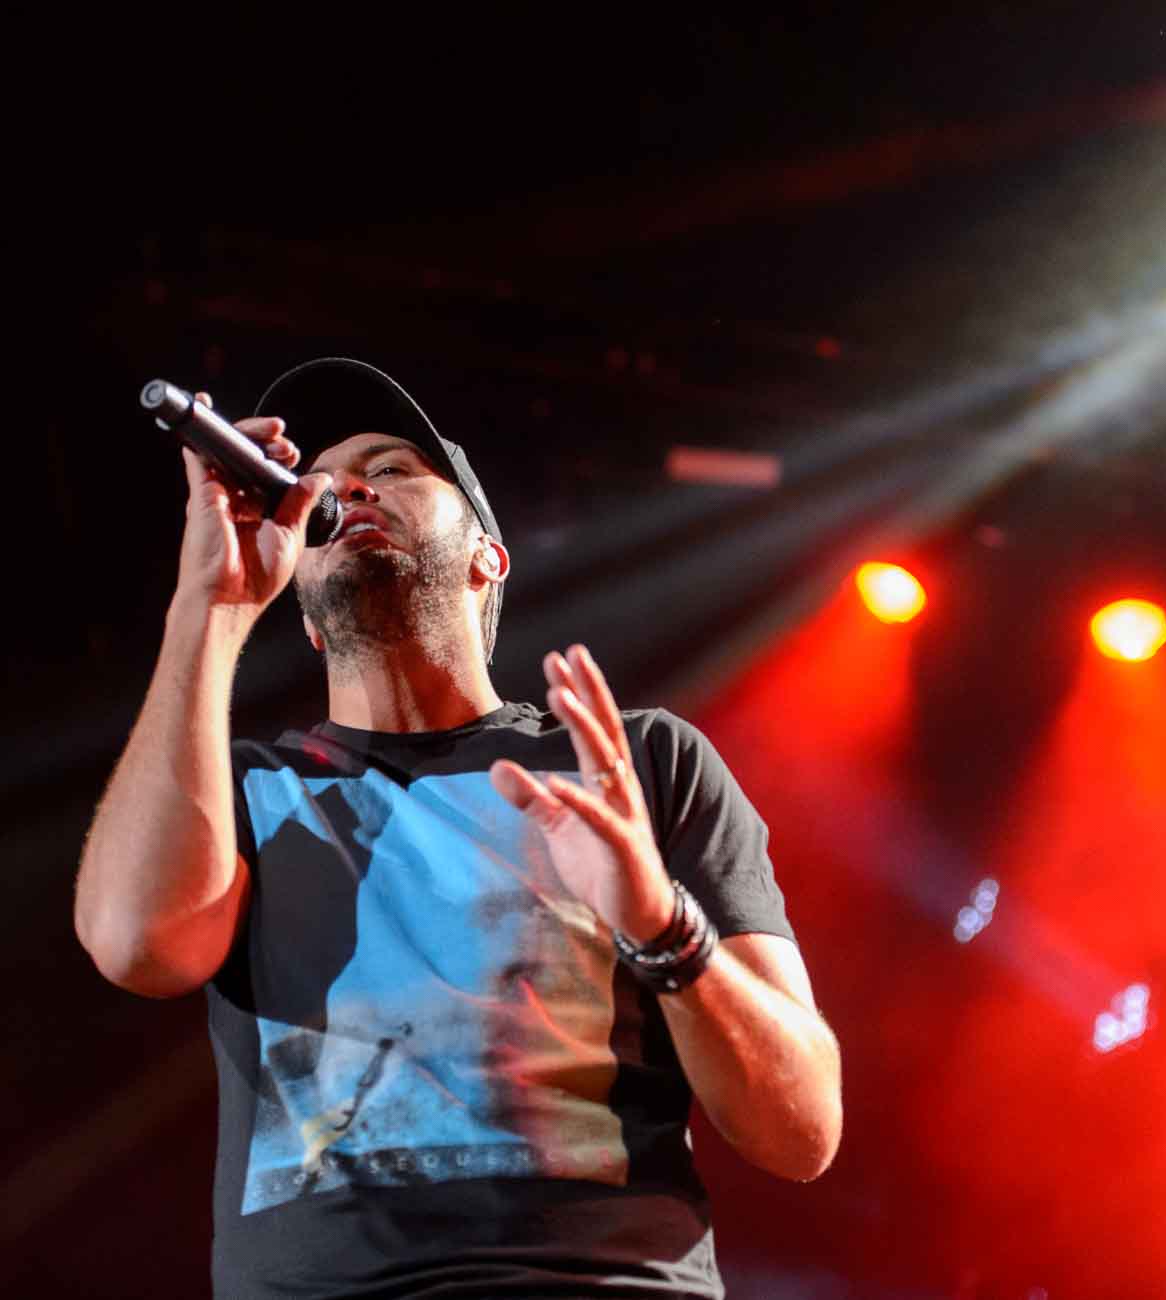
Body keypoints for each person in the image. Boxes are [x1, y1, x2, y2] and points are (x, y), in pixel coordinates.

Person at [74, 357, 842, 1299]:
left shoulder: (639, 762)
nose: (347, 484)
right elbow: (136, 944)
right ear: (307, 614)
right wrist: (214, 606)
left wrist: (659, 922)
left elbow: (801, 1129)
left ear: (489, 555)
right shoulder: (239, 791)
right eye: (326, 476)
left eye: (391, 467)